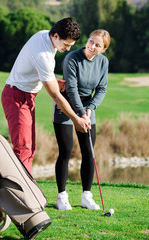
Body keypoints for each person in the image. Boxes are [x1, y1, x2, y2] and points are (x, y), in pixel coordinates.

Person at [1, 18, 90, 174]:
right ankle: (20, 194)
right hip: (17, 97)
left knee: (30, 148)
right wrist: (76, 120)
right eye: (66, 44)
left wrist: (53, 79)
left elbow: (34, 68)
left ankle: (24, 190)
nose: (68, 49)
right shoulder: (43, 55)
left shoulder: (43, 35)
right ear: (56, 36)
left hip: (25, 96)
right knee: (23, 148)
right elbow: (55, 95)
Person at [53, 29, 111, 210]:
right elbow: (71, 89)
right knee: (66, 150)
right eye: (91, 41)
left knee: (88, 152)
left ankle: (86, 196)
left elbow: (102, 88)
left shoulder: (103, 62)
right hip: (66, 106)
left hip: (86, 109)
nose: (92, 46)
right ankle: (61, 196)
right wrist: (80, 114)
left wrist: (89, 110)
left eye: (98, 45)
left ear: (103, 49)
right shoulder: (72, 58)